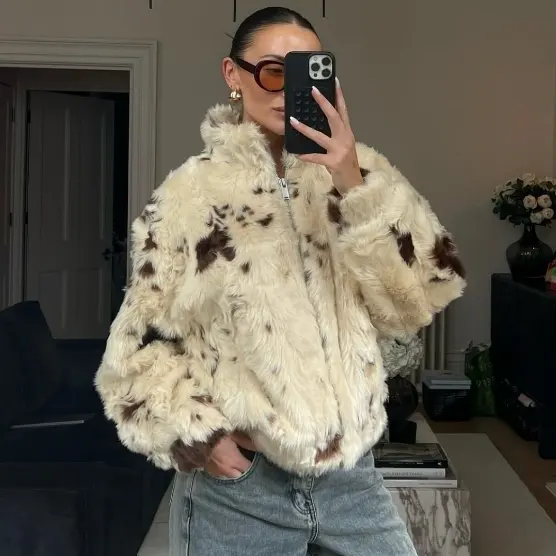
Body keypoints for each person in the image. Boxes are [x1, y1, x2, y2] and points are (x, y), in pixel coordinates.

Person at [95, 6, 466, 556]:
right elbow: (137, 348)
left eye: (308, 71)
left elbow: (416, 301)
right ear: (233, 74)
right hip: (242, 488)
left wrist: (351, 182)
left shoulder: (362, 176)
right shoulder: (188, 198)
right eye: (274, 71)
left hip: (351, 480)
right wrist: (201, 435)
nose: (290, 89)